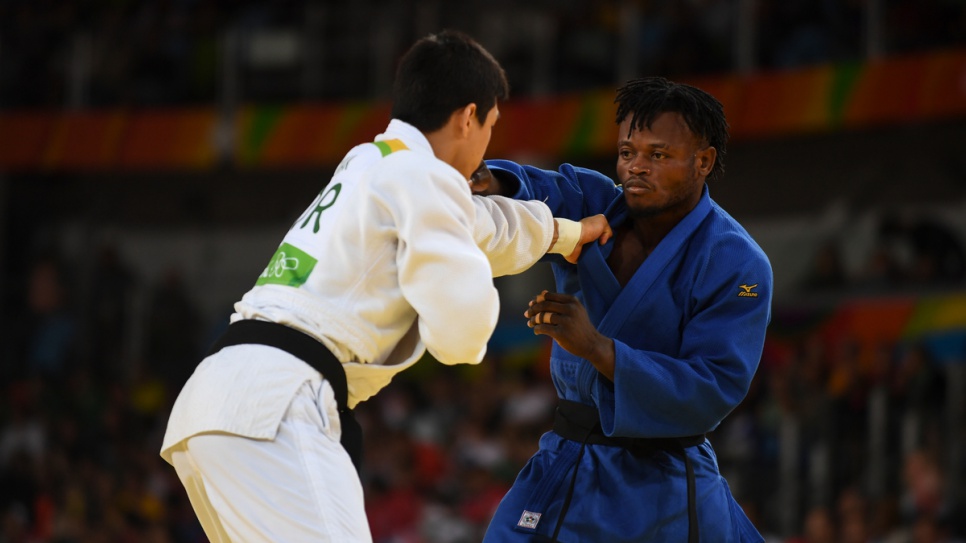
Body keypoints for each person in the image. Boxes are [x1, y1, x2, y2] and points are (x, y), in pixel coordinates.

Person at [160, 30, 611, 543]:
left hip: (219, 402)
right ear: (468, 117)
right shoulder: (422, 177)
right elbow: (459, 334)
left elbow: (483, 225)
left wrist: (569, 234)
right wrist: (469, 322)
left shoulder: (371, 163)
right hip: (276, 406)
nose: (489, 143)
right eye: (491, 125)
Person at [472, 76, 773, 542]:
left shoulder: (737, 262)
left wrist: (597, 348)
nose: (636, 168)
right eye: (628, 152)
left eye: (658, 155)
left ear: (703, 161)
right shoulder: (598, 204)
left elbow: (711, 388)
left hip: (659, 480)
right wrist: (493, 180)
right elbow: (543, 189)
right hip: (565, 455)